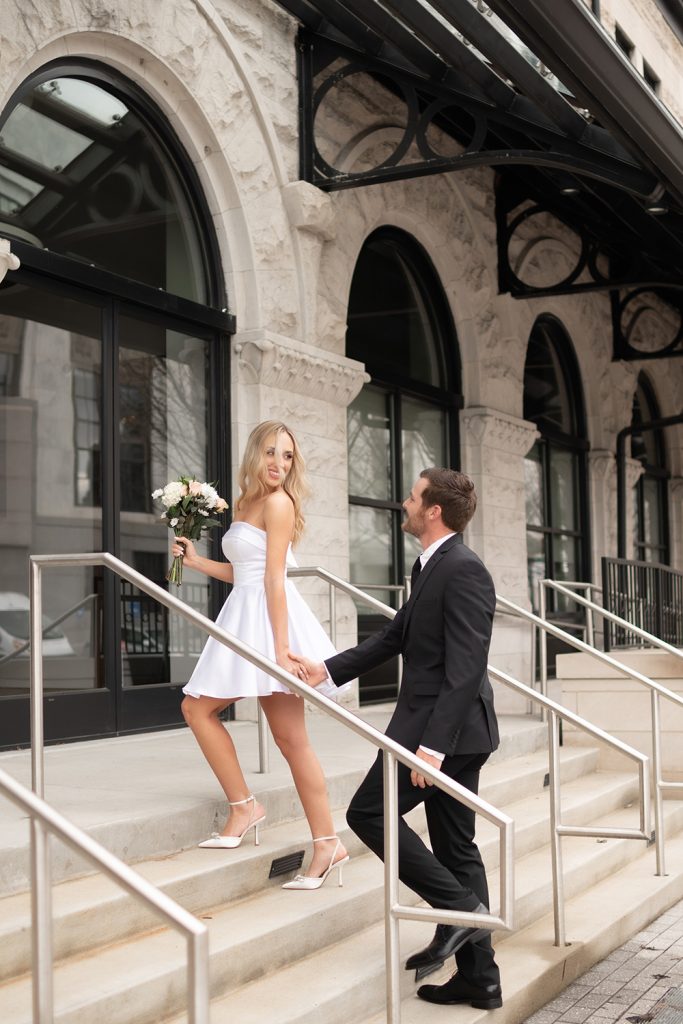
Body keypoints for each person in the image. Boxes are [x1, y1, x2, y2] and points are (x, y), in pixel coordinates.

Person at [293, 468, 503, 1008]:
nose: (403, 504)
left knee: (368, 813)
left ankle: (458, 910)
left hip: (446, 734)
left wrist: (432, 747)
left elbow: (466, 666)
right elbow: (396, 636)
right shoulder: (429, 565)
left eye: (412, 497)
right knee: (456, 846)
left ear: (433, 511)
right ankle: (481, 978)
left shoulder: (464, 570)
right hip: (446, 731)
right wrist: (326, 669)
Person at [173, 420, 348, 890]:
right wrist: (194, 562)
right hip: (244, 615)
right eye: (271, 452)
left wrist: (281, 648)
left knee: (291, 740)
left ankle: (327, 842)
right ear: (256, 455)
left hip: (272, 623)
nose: (279, 463)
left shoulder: (279, 502)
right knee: (197, 708)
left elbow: (274, 579)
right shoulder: (249, 500)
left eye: (287, 456)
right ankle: (244, 807)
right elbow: (243, 573)